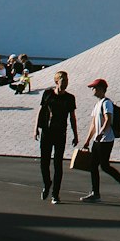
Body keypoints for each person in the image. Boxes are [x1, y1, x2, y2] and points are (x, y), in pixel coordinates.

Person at [80, 78, 120, 203]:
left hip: (106, 140)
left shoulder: (106, 103)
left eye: (94, 88)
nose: (92, 90)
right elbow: (93, 124)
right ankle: (95, 193)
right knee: (93, 166)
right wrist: (88, 140)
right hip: (97, 140)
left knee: (104, 166)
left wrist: (101, 133)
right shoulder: (97, 104)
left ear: (101, 89)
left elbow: (109, 120)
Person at [34, 70, 78, 204]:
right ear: (56, 81)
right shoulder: (48, 94)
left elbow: (72, 117)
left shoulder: (70, 98)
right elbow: (40, 111)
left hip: (60, 133)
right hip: (47, 132)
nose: (65, 83)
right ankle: (47, 184)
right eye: (63, 81)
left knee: (58, 164)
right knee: (44, 162)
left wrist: (75, 135)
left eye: (67, 81)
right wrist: (35, 128)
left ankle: (55, 194)